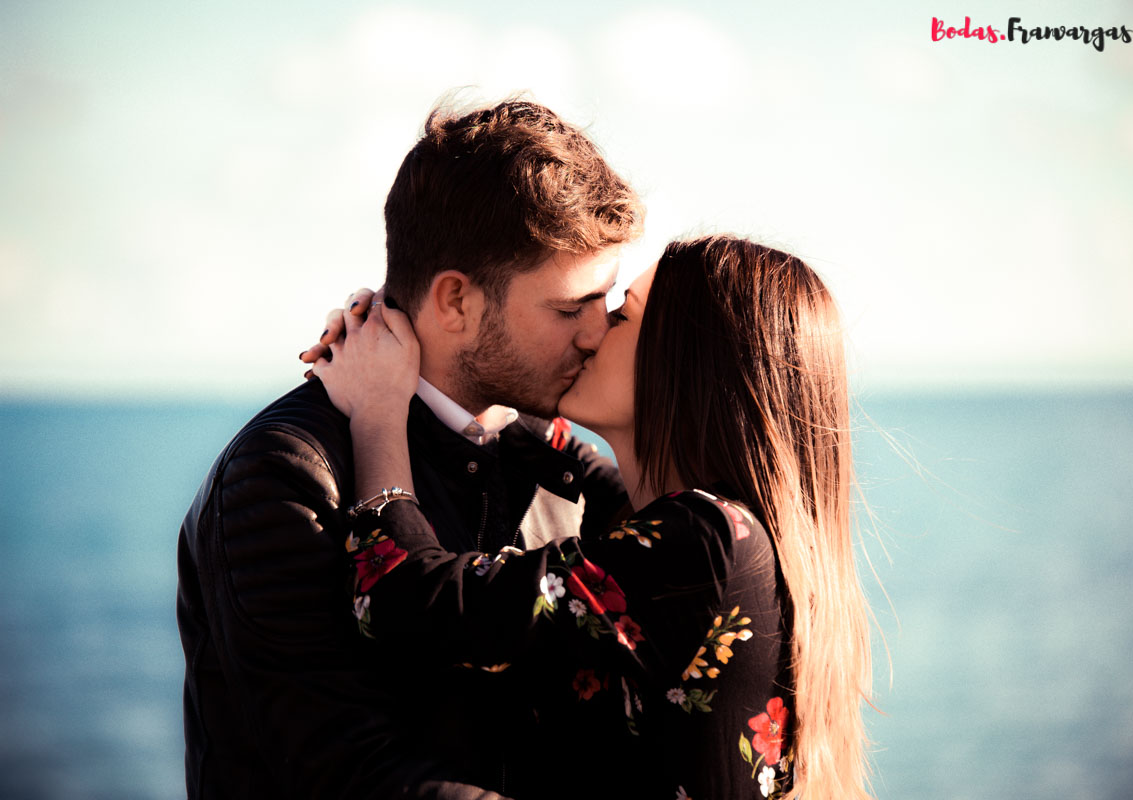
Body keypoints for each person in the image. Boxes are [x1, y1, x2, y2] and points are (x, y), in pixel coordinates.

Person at [176, 99, 643, 799]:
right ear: (455, 300)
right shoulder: (283, 475)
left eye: (603, 303)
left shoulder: (560, 468)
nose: (593, 334)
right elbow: (349, 775)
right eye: (568, 307)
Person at [312, 236, 876, 799]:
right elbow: (563, 461)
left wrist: (378, 409)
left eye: (622, 314)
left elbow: (410, 604)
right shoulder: (725, 532)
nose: (592, 333)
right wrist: (449, 344)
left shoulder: (705, 542)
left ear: (682, 364)